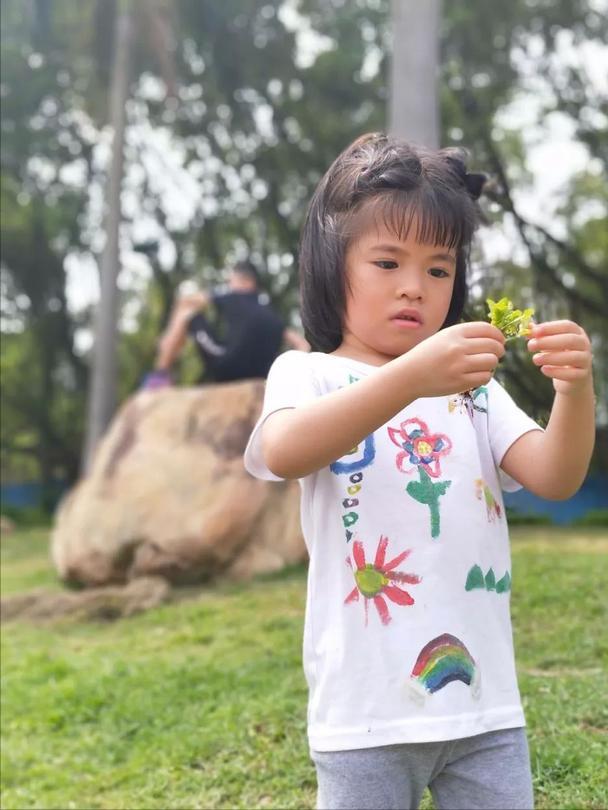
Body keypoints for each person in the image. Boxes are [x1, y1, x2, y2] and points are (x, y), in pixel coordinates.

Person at [243, 133, 595, 810]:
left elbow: (555, 476)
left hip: (484, 708)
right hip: (365, 712)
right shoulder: (309, 372)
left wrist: (575, 392)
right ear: (329, 264)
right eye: (386, 261)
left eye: (439, 270)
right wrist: (409, 378)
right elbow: (283, 451)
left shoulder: (473, 391)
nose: (415, 286)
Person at [142, 259, 308, 389]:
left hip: (228, 368)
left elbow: (186, 301)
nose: (229, 285)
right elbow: (302, 344)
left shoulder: (232, 296)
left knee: (186, 312)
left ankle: (160, 375)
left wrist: (167, 338)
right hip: (262, 376)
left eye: (231, 280)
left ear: (245, 281)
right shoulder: (271, 314)